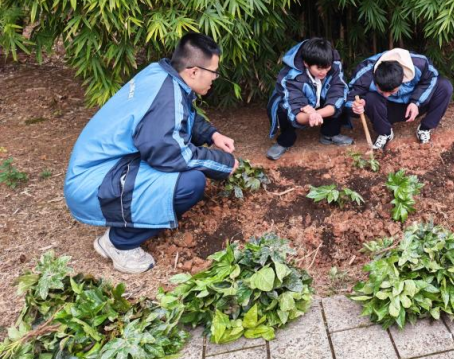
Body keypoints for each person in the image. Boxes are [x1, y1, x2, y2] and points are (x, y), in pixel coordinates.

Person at [65, 33, 238, 273]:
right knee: (190, 183)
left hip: (103, 169)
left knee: (184, 173)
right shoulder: (167, 96)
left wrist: (212, 135)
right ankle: (118, 243)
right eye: (214, 72)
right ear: (194, 71)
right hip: (93, 184)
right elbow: (173, 156)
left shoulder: (161, 75)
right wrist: (224, 164)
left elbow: (180, 115)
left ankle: (125, 224)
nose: (215, 78)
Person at [347, 48, 453, 149]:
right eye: (382, 91)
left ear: (402, 78)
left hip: (413, 107)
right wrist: (357, 105)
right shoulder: (365, 72)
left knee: (444, 86)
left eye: (392, 91)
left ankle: (425, 128)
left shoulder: (420, 64)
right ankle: (385, 133)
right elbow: (350, 98)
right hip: (385, 110)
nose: (386, 95)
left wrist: (416, 102)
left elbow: (431, 79)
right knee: (370, 98)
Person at [266, 38, 352, 160]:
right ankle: (285, 141)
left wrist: (317, 114)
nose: (324, 72)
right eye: (319, 68)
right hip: (296, 103)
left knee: (340, 99)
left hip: (317, 102)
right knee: (282, 107)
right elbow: (294, 109)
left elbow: (338, 92)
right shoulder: (290, 75)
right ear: (306, 63)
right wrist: (309, 115)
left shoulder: (334, 64)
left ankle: (330, 133)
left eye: (327, 67)